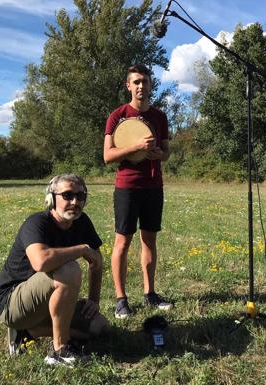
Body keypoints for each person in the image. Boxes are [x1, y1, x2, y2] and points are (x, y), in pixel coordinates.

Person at [0, 174, 109, 366]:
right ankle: (60, 351)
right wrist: (81, 249)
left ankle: (28, 332)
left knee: (99, 327)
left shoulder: (82, 222)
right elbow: (41, 262)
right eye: (68, 195)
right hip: (12, 303)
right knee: (69, 269)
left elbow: (96, 260)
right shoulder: (37, 223)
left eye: (81, 196)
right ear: (51, 199)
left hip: (47, 301)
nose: (75, 202)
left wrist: (94, 300)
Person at [103, 64, 172, 319]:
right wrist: (134, 147)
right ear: (128, 86)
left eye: (145, 81)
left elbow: (166, 153)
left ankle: (150, 293)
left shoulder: (160, 117)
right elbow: (108, 156)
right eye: (137, 82)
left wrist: (157, 154)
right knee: (122, 241)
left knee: (149, 241)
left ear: (150, 84)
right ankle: (121, 300)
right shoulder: (117, 115)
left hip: (154, 186)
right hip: (127, 187)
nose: (141, 86)